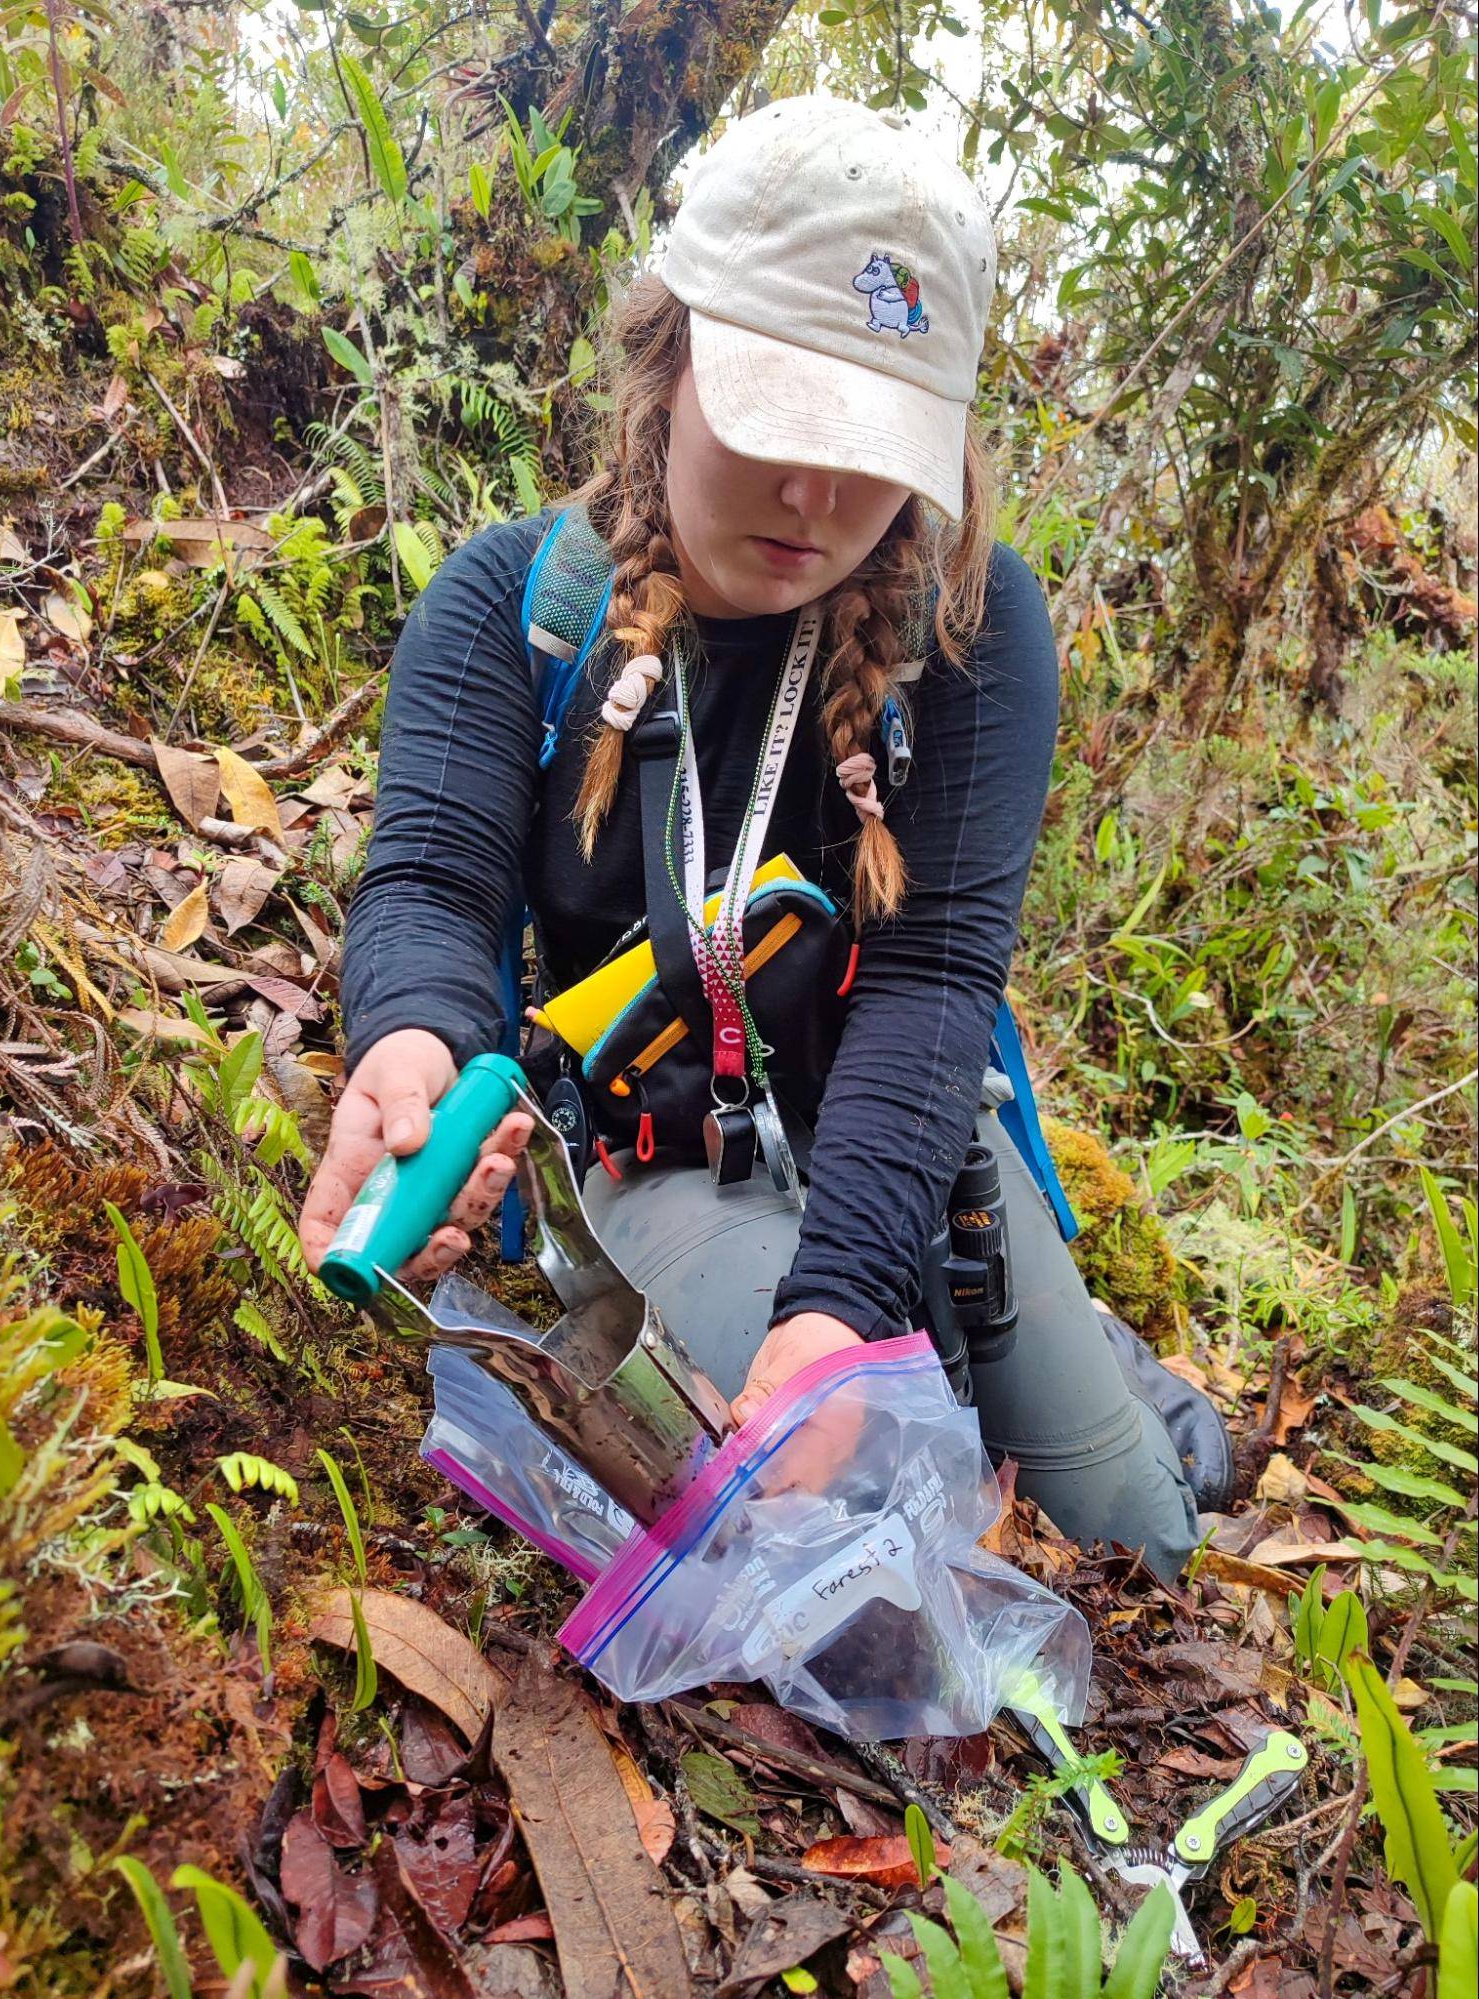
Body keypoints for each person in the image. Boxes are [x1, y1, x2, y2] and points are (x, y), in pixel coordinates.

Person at [299, 94, 1224, 1582]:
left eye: (872, 445)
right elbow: (429, 882)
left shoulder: (976, 637)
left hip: (911, 1122)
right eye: (781, 421)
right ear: (668, 356)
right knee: (852, 1555)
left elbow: (933, 990)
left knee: (1143, 1540)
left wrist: (837, 1307)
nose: (818, 497)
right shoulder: (514, 611)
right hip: (661, 1142)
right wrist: (408, 1047)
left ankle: (1110, 1379)